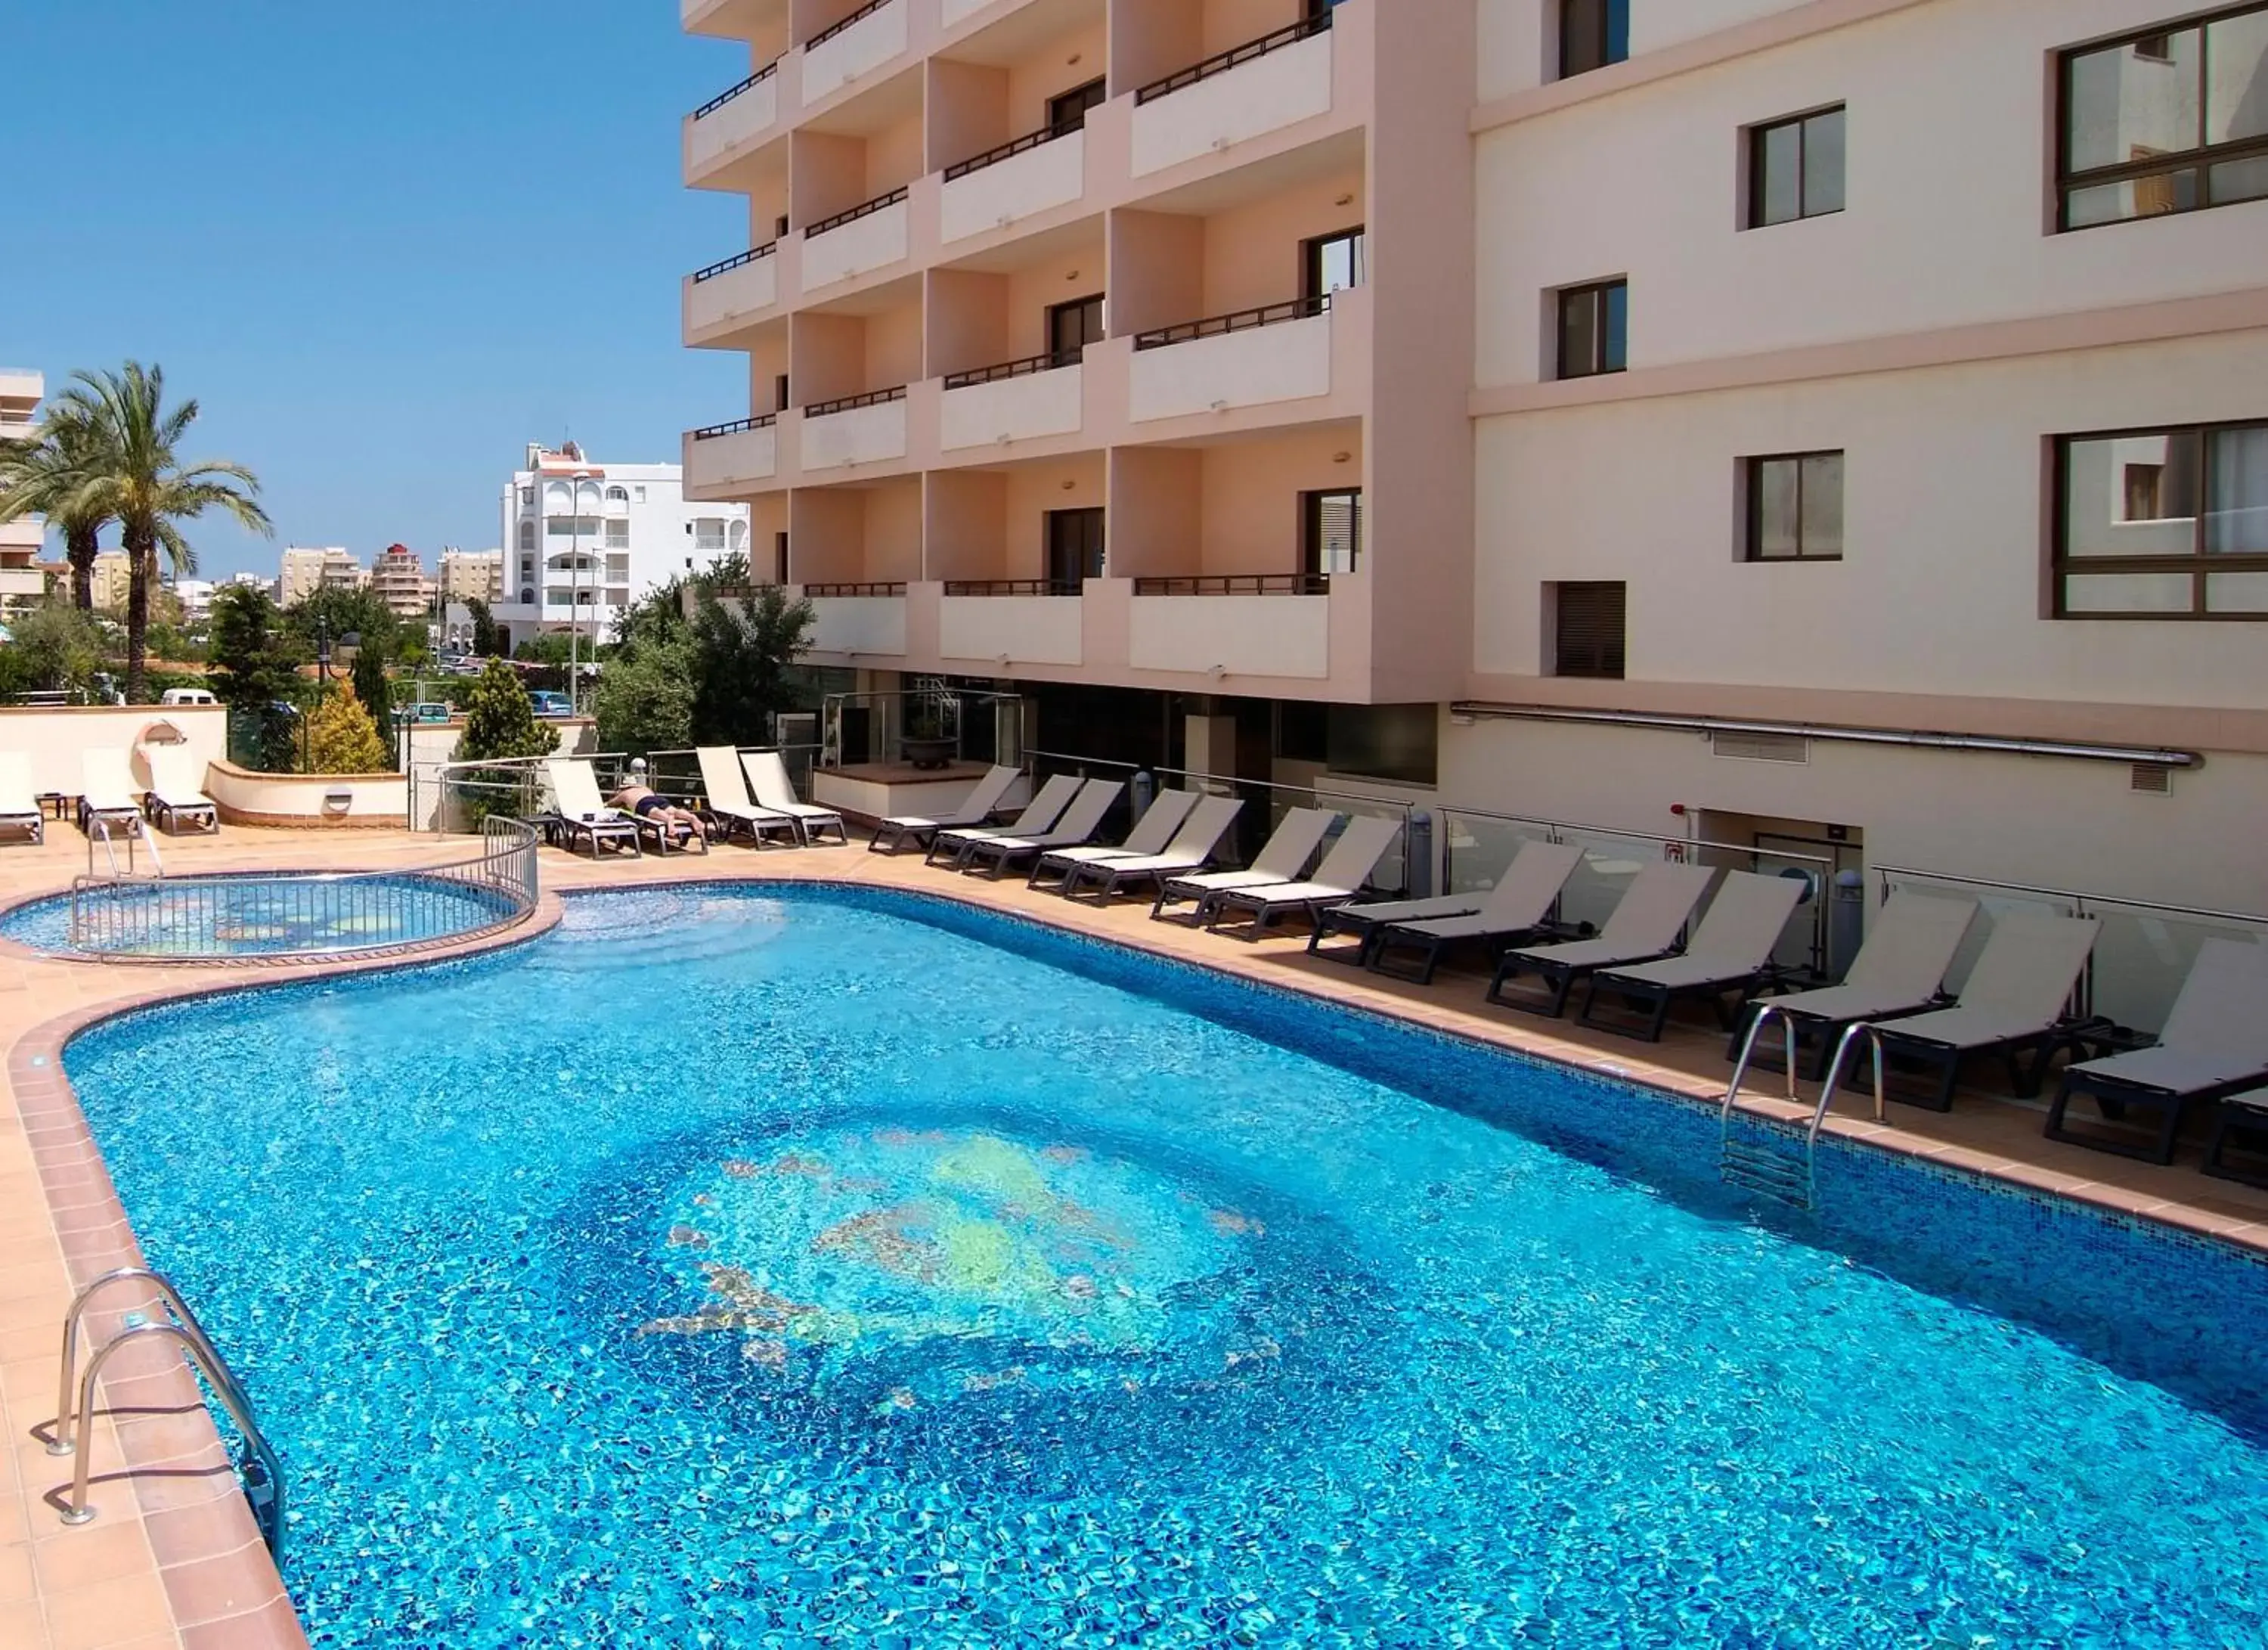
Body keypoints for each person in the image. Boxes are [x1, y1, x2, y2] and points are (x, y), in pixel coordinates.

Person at [609, 782, 712, 842]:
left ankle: (668, 819)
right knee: (674, 810)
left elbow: (611, 804)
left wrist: (614, 800)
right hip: (657, 798)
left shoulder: (624, 794)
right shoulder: (644, 788)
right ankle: (691, 817)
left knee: (654, 812)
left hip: (642, 802)